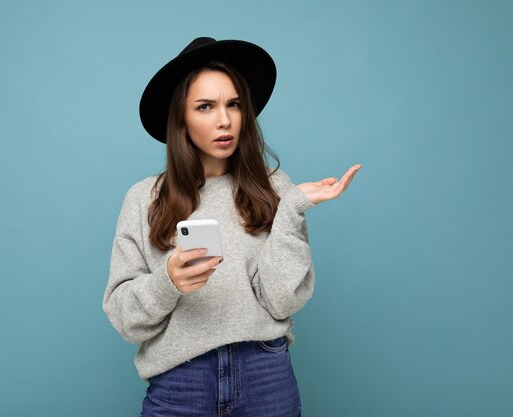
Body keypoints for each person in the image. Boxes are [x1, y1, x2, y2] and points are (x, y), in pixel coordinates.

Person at [103, 37, 361, 416]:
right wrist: (168, 282)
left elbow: (283, 301)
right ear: (181, 118)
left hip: (265, 374)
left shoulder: (275, 188)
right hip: (179, 381)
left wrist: (291, 210)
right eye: (205, 107)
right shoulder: (144, 198)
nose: (224, 120)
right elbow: (126, 321)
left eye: (234, 105)